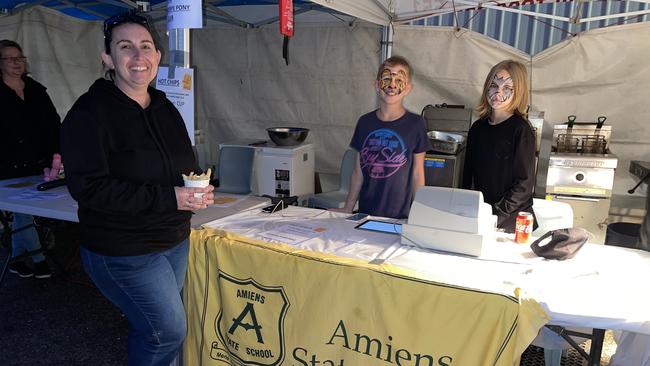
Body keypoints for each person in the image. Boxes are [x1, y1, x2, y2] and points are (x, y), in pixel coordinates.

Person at [60, 12, 214, 365]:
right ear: (108, 58)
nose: (138, 56)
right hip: (122, 250)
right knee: (168, 331)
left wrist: (195, 187)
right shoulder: (89, 113)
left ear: (158, 57)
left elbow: (181, 165)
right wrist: (170, 197)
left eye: (146, 47)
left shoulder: (164, 107)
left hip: (172, 239)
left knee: (153, 329)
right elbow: (89, 189)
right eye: (125, 47)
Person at [333, 55, 431, 219]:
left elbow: (417, 173)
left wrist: (420, 212)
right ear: (377, 85)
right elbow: (358, 171)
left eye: (399, 80)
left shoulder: (416, 124)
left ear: (407, 88)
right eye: (386, 78)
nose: (392, 85)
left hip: (400, 215)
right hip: (366, 213)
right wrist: (348, 207)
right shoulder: (364, 122)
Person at [0, 39, 60, 279]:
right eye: (10, 58)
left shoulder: (36, 89)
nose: (17, 63)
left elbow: (52, 123)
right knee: (23, 211)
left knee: (25, 210)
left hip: (37, 161)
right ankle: (39, 258)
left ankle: (17, 259)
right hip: (6, 165)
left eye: (20, 57)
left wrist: (57, 152)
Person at [462, 60, 537, 233]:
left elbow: (524, 185)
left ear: (518, 92)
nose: (498, 92)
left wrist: (496, 214)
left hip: (513, 223)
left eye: (507, 88)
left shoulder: (522, 131)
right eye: (494, 85)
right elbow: (468, 177)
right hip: (480, 217)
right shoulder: (477, 128)